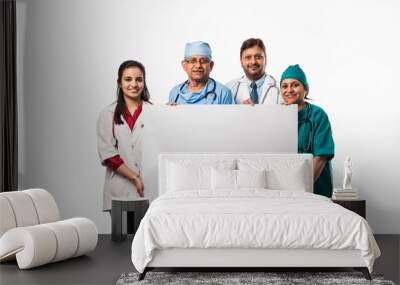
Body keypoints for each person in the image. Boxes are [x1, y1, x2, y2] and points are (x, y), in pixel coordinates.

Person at [97, 60, 151, 211]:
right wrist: (135, 177)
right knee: (127, 234)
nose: (134, 84)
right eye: (128, 79)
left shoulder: (154, 112)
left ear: (144, 83)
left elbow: (162, 147)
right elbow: (108, 155)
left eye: (139, 79)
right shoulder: (107, 114)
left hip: (148, 188)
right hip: (121, 189)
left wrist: (171, 113)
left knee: (146, 233)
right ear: (119, 83)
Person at [280, 64, 335, 197]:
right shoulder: (277, 116)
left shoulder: (318, 115)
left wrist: (303, 188)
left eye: (295, 85)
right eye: (284, 86)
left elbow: (321, 157)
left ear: (306, 89)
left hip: (314, 189)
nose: (289, 90)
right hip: (285, 191)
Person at [168, 41, 233, 104]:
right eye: (193, 61)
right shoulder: (175, 93)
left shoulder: (223, 93)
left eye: (203, 61)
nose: (198, 65)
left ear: (211, 65)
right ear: (184, 65)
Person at [226, 38, 279, 105]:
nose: (253, 62)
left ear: (266, 60)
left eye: (258, 57)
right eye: (248, 57)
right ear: (241, 61)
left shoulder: (279, 88)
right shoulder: (229, 88)